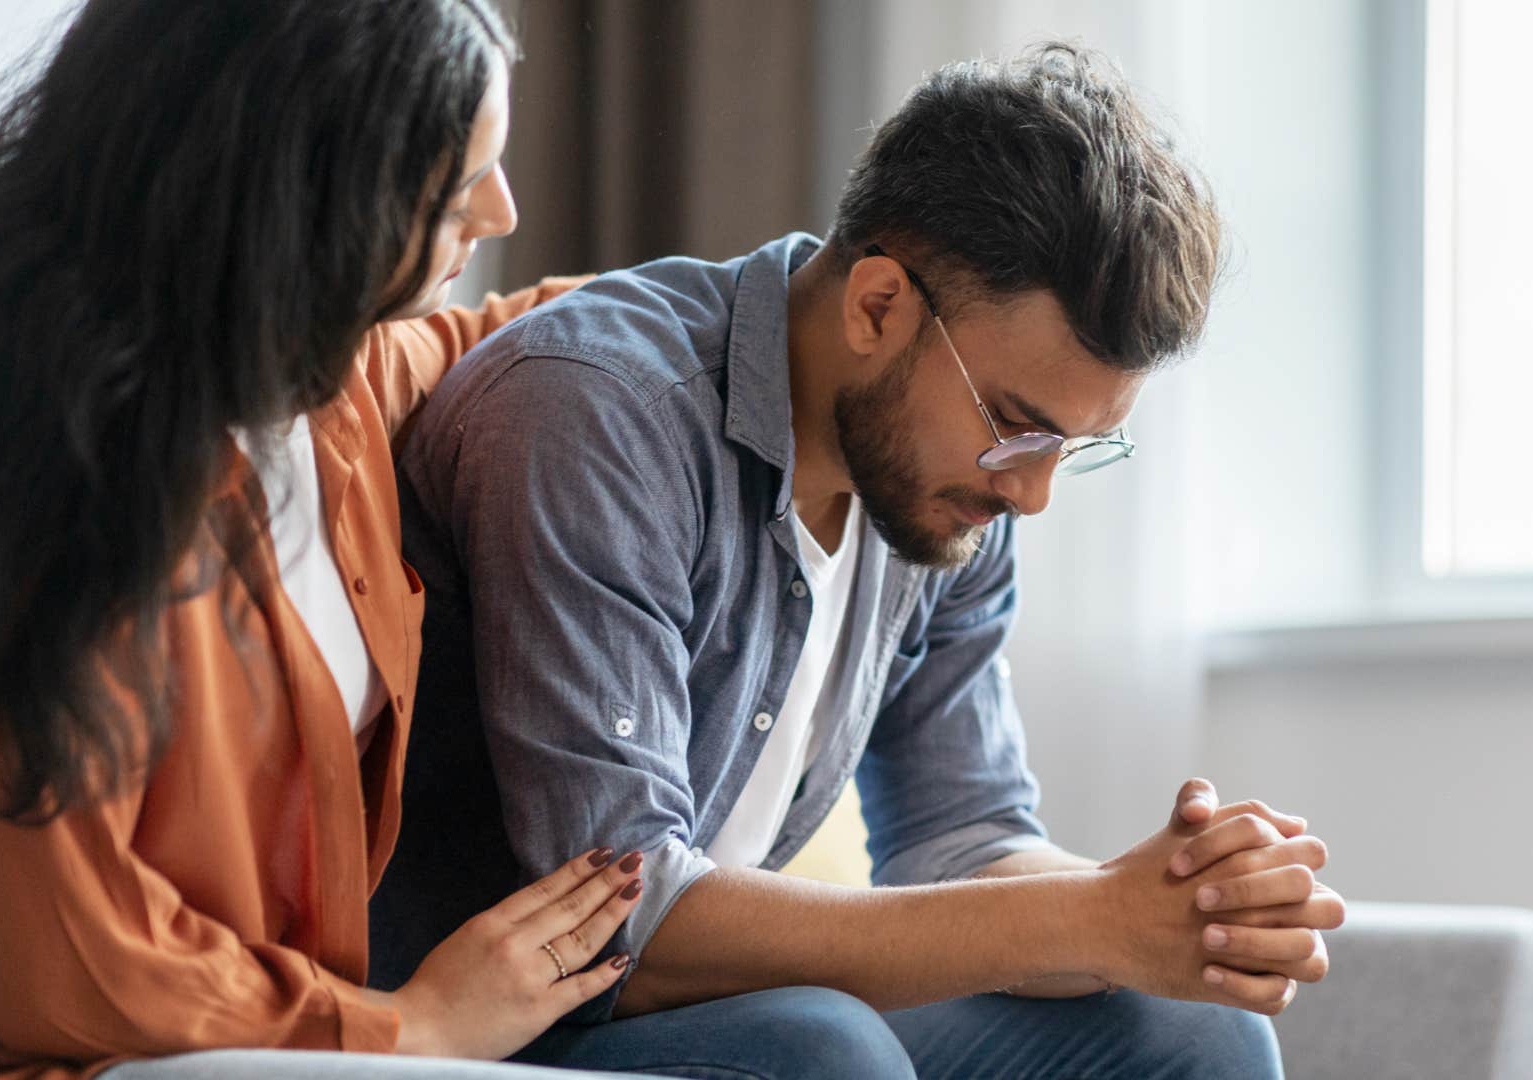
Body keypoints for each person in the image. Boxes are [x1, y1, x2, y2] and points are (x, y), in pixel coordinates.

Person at [374, 42, 1345, 1078]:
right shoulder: (597, 412)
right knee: (827, 1052)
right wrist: (1084, 919)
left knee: (1198, 1035)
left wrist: (1175, 910)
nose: (1032, 492)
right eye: (1019, 429)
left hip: (723, 1019)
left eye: (1074, 448)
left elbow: (964, 837)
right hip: (501, 1022)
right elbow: (622, 920)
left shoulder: (948, 494)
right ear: (878, 304)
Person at [0, 2, 637, 1077]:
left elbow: (533, 332)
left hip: (242, 1045)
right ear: (299, 188)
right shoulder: (50, 501)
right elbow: (70, 963)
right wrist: (412, 1025)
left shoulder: (327, 390)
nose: (503, 210)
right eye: (451, 182)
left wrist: (765, 310)